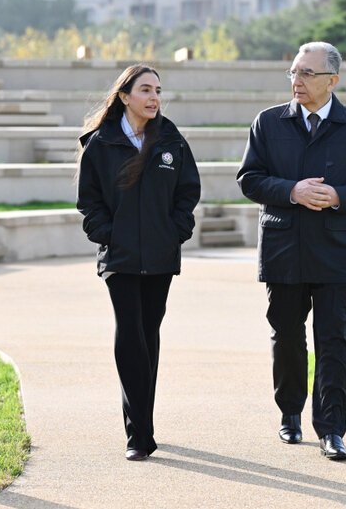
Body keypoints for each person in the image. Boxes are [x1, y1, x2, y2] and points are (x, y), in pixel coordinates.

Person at [236, 42, 346, 461]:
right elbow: (249, 179)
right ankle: (290, 412)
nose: (297, 81)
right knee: (286, 335)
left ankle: (332, 429)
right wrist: (292, 191)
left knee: (334, 339)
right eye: (294, 72)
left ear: (331, 81)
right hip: (283, 249)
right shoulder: (268, 122)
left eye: (307, 73)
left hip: (335, 250)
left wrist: (338, 196)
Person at [76, 65, 201, 461]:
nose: (154, 97)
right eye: (145, 89)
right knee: (130, 332)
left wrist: (175, 231)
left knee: (148, 333)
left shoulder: (171, 140)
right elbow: (89, 201)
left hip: (161, 256)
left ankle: (141, 422)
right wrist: (109, 234)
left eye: (158, 90)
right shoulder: (101, 144)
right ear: (125, 96)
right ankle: (139, 434)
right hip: (120, 256)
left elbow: (188, 192)